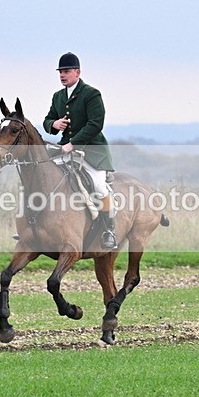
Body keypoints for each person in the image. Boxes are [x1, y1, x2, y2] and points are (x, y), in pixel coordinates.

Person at [43, 52, 117, 250]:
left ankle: (109, 229)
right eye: (60, 72)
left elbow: (95, 124)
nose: (62, 75)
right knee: (45, 179)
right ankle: (36, 228)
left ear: (77, 72)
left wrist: (72, 144)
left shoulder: (91, 94)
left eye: (66, 71)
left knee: (99, 186)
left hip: (92, 153)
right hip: (64, 151)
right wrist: (54, 124)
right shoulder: (58, 96)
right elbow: (47, 121)